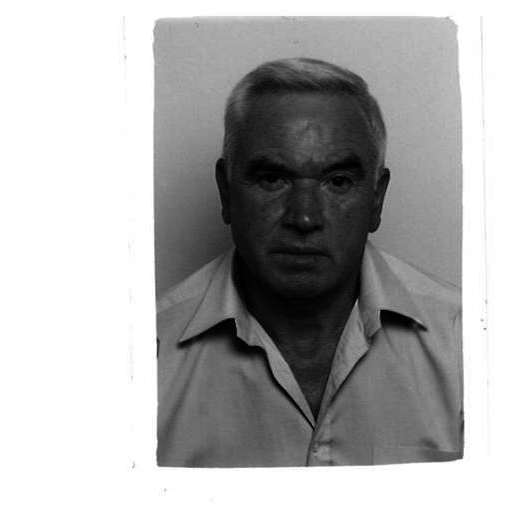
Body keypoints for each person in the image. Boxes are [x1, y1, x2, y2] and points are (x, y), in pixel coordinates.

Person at [156, 57, 462, 467]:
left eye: (338, 182)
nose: (303, 218)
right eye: (272, 179)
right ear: (226, 192)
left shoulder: (466, 346)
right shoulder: (147, 358)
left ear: (376, 198)